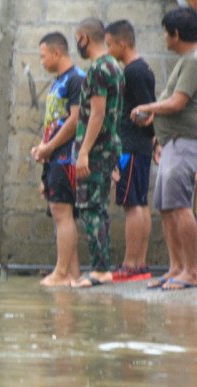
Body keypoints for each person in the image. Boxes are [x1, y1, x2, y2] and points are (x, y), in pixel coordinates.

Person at [131, 7, 197, 290]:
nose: (164, 37)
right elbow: (172, 102)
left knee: (179, 205)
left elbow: (177, 103)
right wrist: (156, 117)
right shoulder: (185, 59)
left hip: (185, 141)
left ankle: (190, 271)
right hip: (172, 142)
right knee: (166, 206)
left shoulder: (195, 61)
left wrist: (147, 107)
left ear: (176, 34)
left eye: (167, 32)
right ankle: (175, 268)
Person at [70, 18, 125, 288]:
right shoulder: (115, 65)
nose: (77, 44)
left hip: (98, 148)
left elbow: (97, 113)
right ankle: (103, 267)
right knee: (99, 208)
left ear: (84, 38)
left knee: (89, 208)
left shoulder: (98, 69)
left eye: (77, 38)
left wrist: (84, 152)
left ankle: (101, 269)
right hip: (109, 146)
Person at [31, 32, 84, 287]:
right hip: (54, 156)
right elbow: (55, 121)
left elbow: (74, 120)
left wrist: (50, 146)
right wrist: (43, 148)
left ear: (56, 53)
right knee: (61, 213)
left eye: (43, 56)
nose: (41, 61)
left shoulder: (76, 79)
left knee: (63, 212)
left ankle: (61, 272)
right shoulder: (58, 82)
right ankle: (72, 274)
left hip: (66, 157)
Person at [104, 20, 156, 282]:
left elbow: (148, 111)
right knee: (140, 203)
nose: (108, 49)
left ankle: (131, 264)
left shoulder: (133, 72)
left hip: (133, 147)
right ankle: (140, 263)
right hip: (141, 146)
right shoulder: (142, 68)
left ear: (122, 44)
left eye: (110, 44)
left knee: (132, 204)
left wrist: (150, 136)